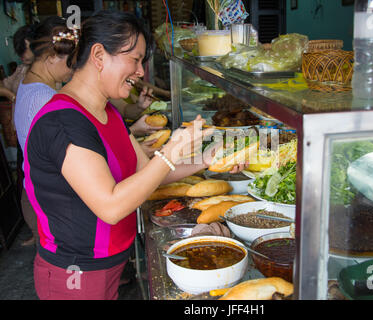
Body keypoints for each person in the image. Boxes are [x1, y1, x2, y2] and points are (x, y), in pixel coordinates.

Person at [24, 10, 244, 300]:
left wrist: (206, 160)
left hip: (108, 265)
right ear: (99, 55)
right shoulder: (64, 122)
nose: (141, 71)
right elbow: (111, 207)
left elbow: (147, 171)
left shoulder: (107, 112)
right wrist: (170, 151)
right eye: (136, 59)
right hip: (75, 274)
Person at [14, 16, 76, 247]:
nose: (71, 69)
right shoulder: (44, 98)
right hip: (52, 194)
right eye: (69, 61)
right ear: (50, 58)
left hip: (38, 186)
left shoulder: (30, 84)